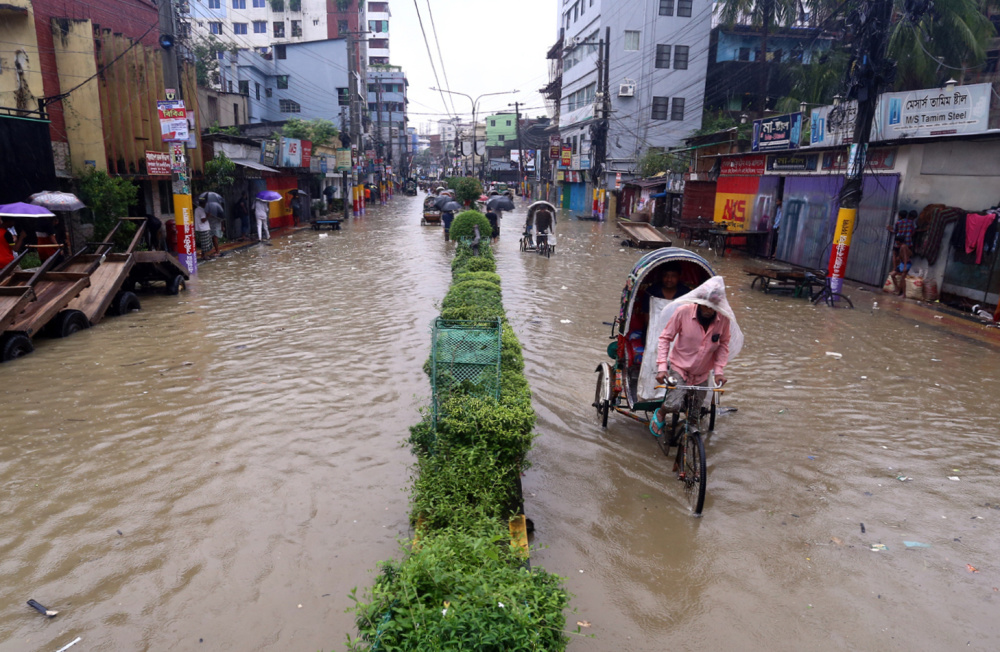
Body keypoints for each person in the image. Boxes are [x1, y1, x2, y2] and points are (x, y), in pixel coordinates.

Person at [649, 276, 742, 439]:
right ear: (698, 302)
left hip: (702, 373)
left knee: (695, 413)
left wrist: (719, 371)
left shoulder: (723, 320)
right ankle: (662, 412)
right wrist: (662, 368)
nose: (708, 311)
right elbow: (665, 338)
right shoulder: (683, 312)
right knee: (673, 404)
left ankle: (690, 443)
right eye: (705, 307)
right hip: (680, 367)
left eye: (712, 308)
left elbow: (723, 345)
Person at [888, 209, 917, 275]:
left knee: (895, 255)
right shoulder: (911, 222)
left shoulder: (898, 222)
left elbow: (895, 231)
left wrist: (890, 229)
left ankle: (895, 269)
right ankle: (902, 269)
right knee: (905, 256)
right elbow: (914, 231)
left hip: (898, 242)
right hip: (908, 242)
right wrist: (909, 235)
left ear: (900, 216)